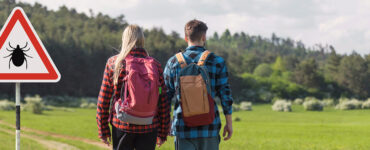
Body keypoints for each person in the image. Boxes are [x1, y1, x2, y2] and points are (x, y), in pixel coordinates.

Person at [96, 25, 171, 150]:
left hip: (122, 124)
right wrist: (163, 132)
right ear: (142, 40)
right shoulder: (155, 65)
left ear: (125, 39)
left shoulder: (115, 63)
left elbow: (104, 99)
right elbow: (162, 100)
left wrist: (103, 130)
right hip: (149, 125)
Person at [164, 19, 234, 150]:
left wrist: (166, 123)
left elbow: (165, 97)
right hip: (210, 127)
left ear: (186, 38)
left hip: (182, 128)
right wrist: (229, 123)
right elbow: (226, 95)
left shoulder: (173, 62)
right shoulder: (217, 61)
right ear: (204, 37)